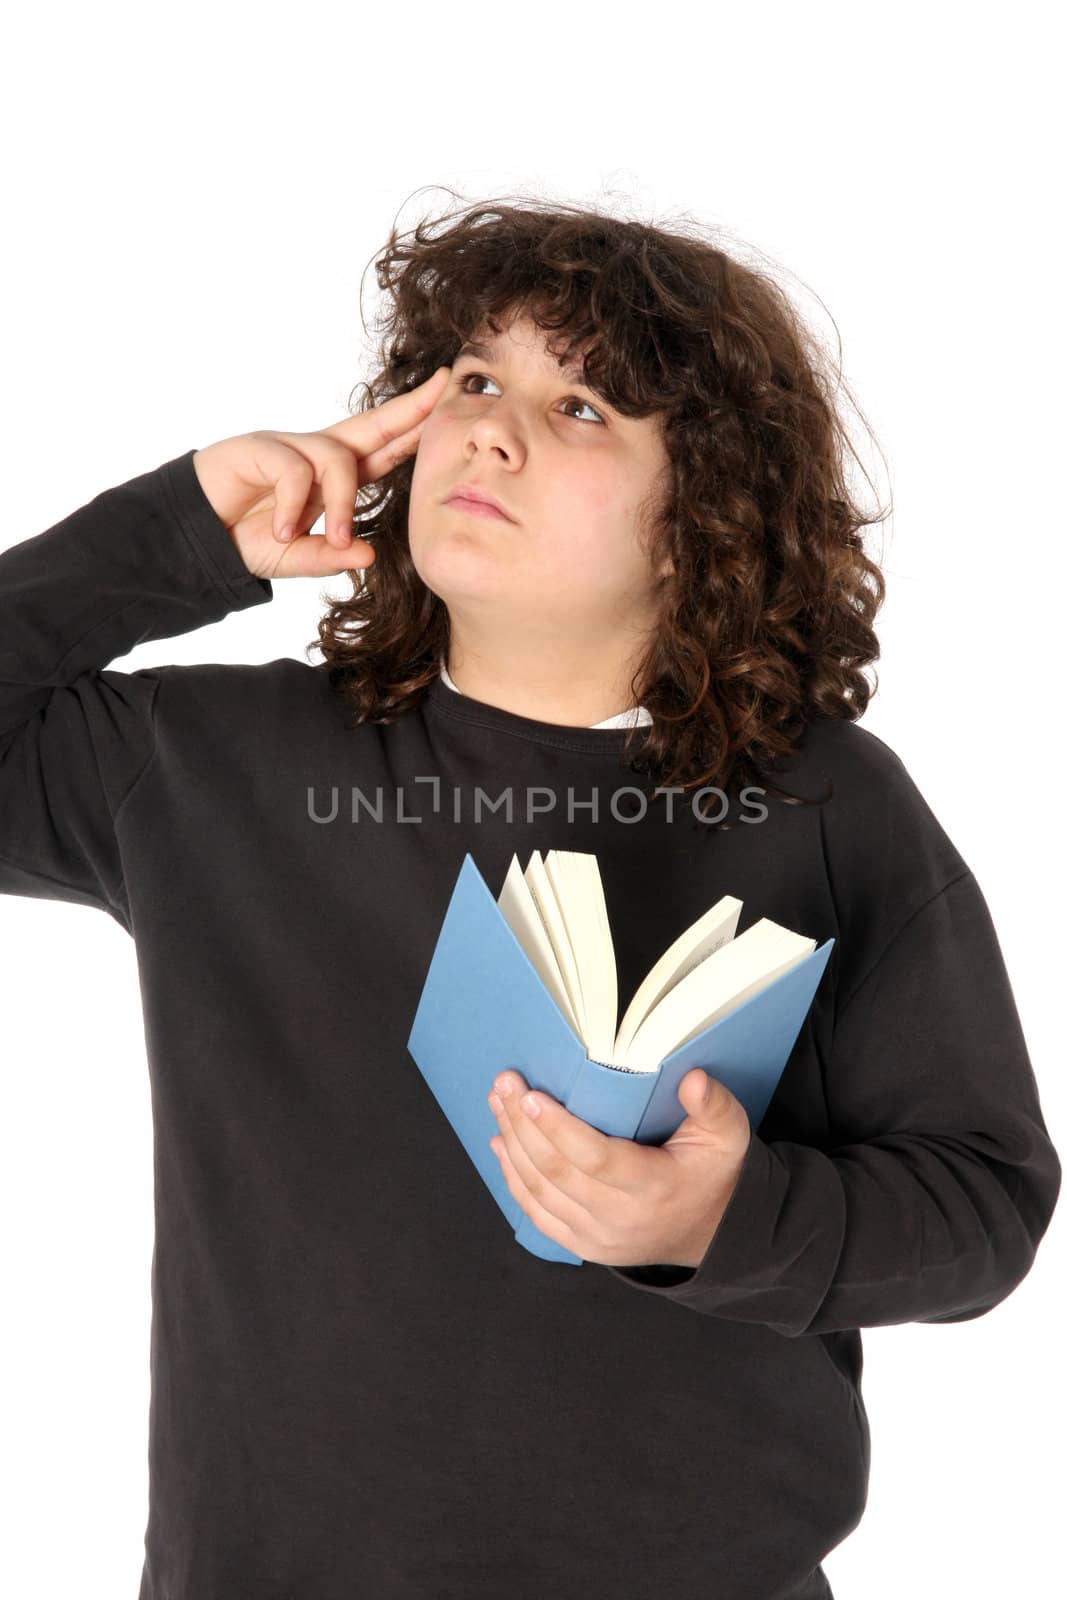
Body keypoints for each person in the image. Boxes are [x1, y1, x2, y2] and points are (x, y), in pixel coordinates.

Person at [0, 193, 1059, 1600]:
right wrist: (180, 529)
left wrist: (716, 1224)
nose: (488, 430)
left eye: (585, 410)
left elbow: (981, 1207)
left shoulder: (829, 806)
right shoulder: (209, 766)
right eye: (476, 380)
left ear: (708, 523)